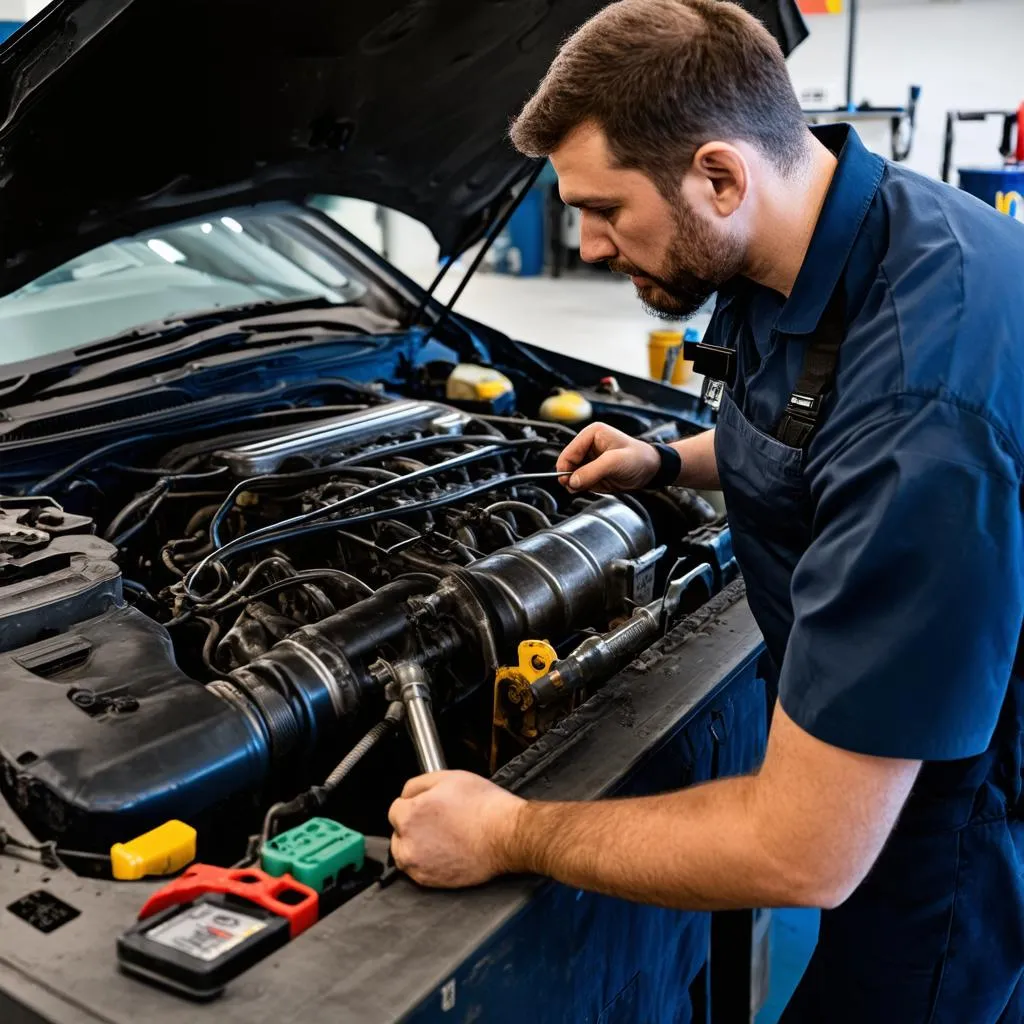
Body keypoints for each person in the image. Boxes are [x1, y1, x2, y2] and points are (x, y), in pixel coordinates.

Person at [387, 1, 1024, 1019]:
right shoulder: (824, 233)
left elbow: (802, 850)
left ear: (720, 174)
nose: (589, 246)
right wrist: (664, 461)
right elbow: (803, 426)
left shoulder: (918, 407)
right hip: (882, 706)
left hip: (945, 818)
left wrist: (508, 830)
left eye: (603, 209)